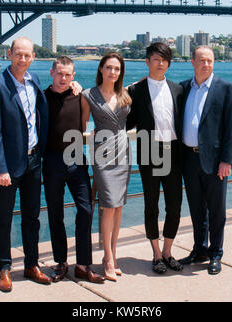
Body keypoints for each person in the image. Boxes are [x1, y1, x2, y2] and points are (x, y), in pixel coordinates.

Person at [0, 36, 51, 292]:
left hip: (34, 160)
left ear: (33, 57)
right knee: (3, 218)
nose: (23, 59)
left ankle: (31, 264)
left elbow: (42, 113)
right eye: (18, 54)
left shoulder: (34, 82)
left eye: (27, 55)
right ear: (9, 54)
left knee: (32, 217)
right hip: (8, 166)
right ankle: (3, 267)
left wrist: (75, 85)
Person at [43, 56, 105, 284]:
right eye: (59, 73)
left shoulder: (81, 97)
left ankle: (83, 264)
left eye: (68, 75)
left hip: (77, 160)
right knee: (55, 213)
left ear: (73, 76)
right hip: (51, 161)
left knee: (86, 210)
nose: (63, 78)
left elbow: (85, 123)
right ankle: (61, 262)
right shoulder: (42, 97)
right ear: (51, 73)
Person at [179, 45, 232, 275]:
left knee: (216, 211)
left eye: (210, 61)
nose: (206, 64)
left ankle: (216, 253)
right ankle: (199, 249)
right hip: (189, 159)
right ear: (192, 62)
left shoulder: (226, 88)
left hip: (216, 163)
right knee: (196, 209)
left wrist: (226, 160)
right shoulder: (184, 87)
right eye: (202, 60)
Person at [126, 42, 183, 274]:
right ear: (147, 62)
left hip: (173, 151)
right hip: (149, 150)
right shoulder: (135, 91)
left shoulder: (178, 89)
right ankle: (156, 254)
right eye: (156, 59)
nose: (160, 63)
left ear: (169, 63)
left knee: (175, 205)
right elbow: (125, 120)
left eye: (164, 59)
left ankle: (169, 251)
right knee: (151, 205)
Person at [81, 52, 132, 282]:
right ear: (101, 69)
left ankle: (113, 255)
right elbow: (80, 126)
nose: (113, 72)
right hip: (102, 154)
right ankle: (108, 258)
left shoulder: (125, 94)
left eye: (117, 69)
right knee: (108, 205)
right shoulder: (87, 95)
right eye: (109, 67)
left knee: (118, 206)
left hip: (123, 152)